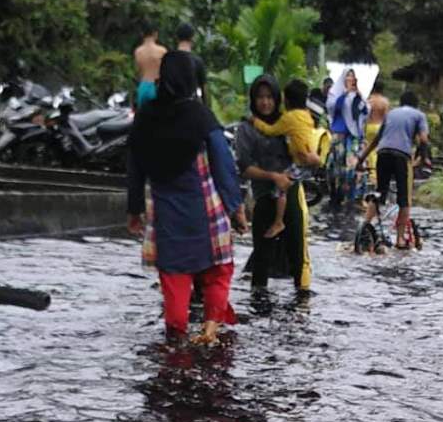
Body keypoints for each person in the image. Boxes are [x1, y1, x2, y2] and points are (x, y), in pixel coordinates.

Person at [127, 51, 247, 343]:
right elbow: (223, 165)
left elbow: (134, 165)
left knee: (174, 280)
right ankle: (210, 328)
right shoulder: (200, 117)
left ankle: (177, 334)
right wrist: (236, 208)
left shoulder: (146, 117)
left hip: (166, 219)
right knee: (217, 272)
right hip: (205, 214)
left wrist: (134, 209)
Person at [235, 75, 314, 297]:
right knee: (261, 258)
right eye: (260, 97)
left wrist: (311, 158)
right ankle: (259, 306)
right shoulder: (246, 128)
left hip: (291, 195)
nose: (265, 102)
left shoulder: (288, 122)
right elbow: (244, 167)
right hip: (262, 198)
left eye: (270, 97)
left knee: (297, 254)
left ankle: (301, 308)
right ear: (253, 100)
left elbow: (303, 152)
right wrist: (272, 176)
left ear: (277, 99)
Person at [248, 79, 329, 239]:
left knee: (280, 188)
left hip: (301, 163)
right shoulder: (306, 116)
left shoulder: (289, 118)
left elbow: (270, 131)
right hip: (309, 160)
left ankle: (278, 222)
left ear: (286, 100)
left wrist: (254, 121)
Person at [357, 91, 429, 249]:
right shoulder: (419, 115)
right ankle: (400, 239)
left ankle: (364, 227)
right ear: (416, 104)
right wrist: (423, 159)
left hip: (382, 153)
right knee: (404, 199)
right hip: (401, 156)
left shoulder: (391, 114)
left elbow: (376, 140)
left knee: (379, 193)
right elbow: (423, 140)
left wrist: (361, 160)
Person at [326, 68, 369, 202]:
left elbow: (364, 111)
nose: (350, 79)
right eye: (348, 76)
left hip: (354, 136)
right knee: (336, 166)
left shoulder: (357, 96)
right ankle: (336, 194)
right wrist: (345, 93)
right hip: (340, 135)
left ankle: (353, 194)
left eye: (353, 76)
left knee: (353, 166)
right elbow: (333, 108)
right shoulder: (335, 93)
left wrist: (359, 95)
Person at [134, 22, 167, 110]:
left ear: (142, 34)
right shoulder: (162, 51)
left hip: (143, 86)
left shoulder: (138, 52)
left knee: (143, 118)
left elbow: (138, 72)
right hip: (157, 87)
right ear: (155, 34)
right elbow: (166, 72)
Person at [175, 22, 209, 106]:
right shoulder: (197, 61)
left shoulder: (169, 60)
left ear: (177, 38)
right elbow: (204, 89)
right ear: (192, 38)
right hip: (192, 105)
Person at [365, 79, 391, 183]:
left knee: (369, 150)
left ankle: (371, 174)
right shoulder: (385, 101)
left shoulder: (368, 100)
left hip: (370, 126)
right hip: (380, 126)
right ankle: (378, 174)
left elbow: (364, 116)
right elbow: (387, 117)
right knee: (379, 150)